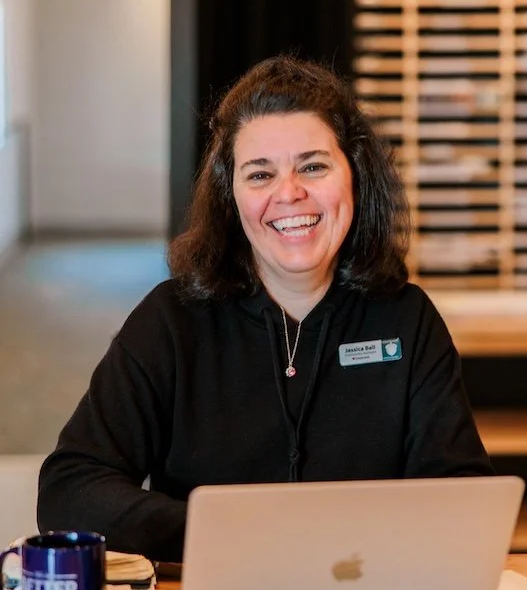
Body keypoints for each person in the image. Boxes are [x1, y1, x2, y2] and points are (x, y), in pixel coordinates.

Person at [37, 55, 493, 562]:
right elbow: (70, 490)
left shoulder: (408, 320)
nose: (289, 193)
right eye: (260, 174)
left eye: (313, 166)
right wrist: (227, 533)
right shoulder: (171, 320)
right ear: (230, 196)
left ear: (355, 176)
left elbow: (462, 496)